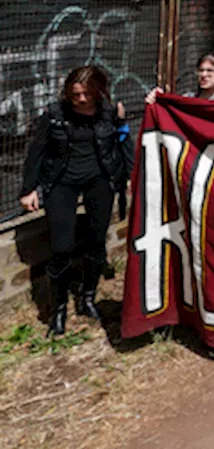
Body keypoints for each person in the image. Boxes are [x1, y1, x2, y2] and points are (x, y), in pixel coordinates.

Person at [19, 67, 131, 336]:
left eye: (86, 94)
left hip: (100, 180)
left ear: (98, 91)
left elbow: (123, 142)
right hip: (61, 182)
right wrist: (28, 189)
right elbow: (37, 150)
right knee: (61, 246)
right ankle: (58, 310)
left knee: (95, 242)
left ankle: (87, 299)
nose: (80, 99)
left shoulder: (110, 112)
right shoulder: (55, 115)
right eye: (75, 94)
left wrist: (129, 175)